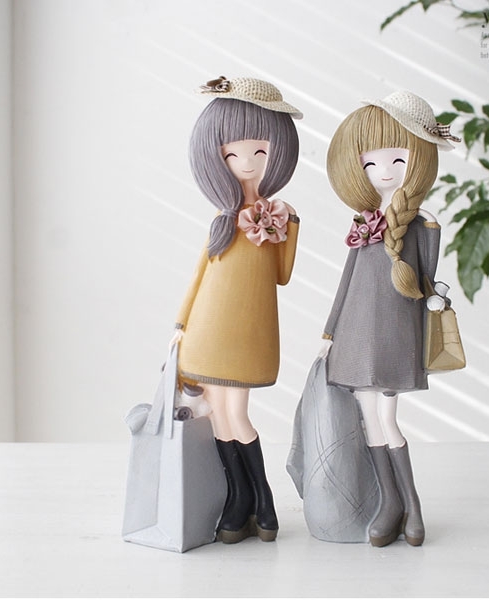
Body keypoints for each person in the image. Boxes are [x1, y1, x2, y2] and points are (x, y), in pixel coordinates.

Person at [320, 91, 460, 547]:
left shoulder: (422, 225)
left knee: (388, 418)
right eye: (371, 163)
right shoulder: (364, 225)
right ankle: (390, 505)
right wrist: (329, 332)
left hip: (396, 334)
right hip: (355, 335)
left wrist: (435, 296)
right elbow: (347, 283)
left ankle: (412, 508)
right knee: (370, 418)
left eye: (397, 160)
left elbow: (427, 279)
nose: (384, 171)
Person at [172, 76, 302, 544]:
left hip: (247, 333)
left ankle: (264, 502)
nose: (246, 162)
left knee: (237, 414)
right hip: (206, 331)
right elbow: (199, 276)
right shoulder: (222, 222)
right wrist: (181, 324)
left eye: (259, 152)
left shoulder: (279, 218)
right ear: (217, 159)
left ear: (278, 153)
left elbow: (282, 275)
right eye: (232, 155)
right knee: (218, 417)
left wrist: (287, 227)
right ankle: (239, 500)